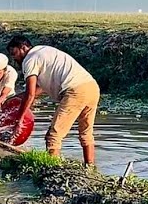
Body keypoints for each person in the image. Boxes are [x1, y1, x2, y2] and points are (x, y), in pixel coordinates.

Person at [6, 35, 101, 166]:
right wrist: (15, 98)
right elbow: (39, 89)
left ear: (23, 48)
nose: (14, 58)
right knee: (86, 132)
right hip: (91, 86)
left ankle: (53, 170)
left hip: (75, 90)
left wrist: (19, 120)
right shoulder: (45, 50)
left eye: (14, 53)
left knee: (53, 136)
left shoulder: (29, 60)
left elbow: (30, 94)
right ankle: (90, 167)